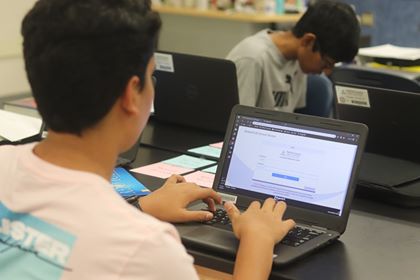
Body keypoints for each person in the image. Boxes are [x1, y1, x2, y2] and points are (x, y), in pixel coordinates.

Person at [0, 0, 295, 279]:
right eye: (153, 75)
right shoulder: (145, 249)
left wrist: (143, 206)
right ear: (131, 95)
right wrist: (258, 240)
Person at [226, 0, 360, 112]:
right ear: (308, 41)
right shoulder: (253, 59)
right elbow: (234, 125)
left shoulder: (298, 60)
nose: (326, 71)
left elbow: (292, 117)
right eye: (326, 63)